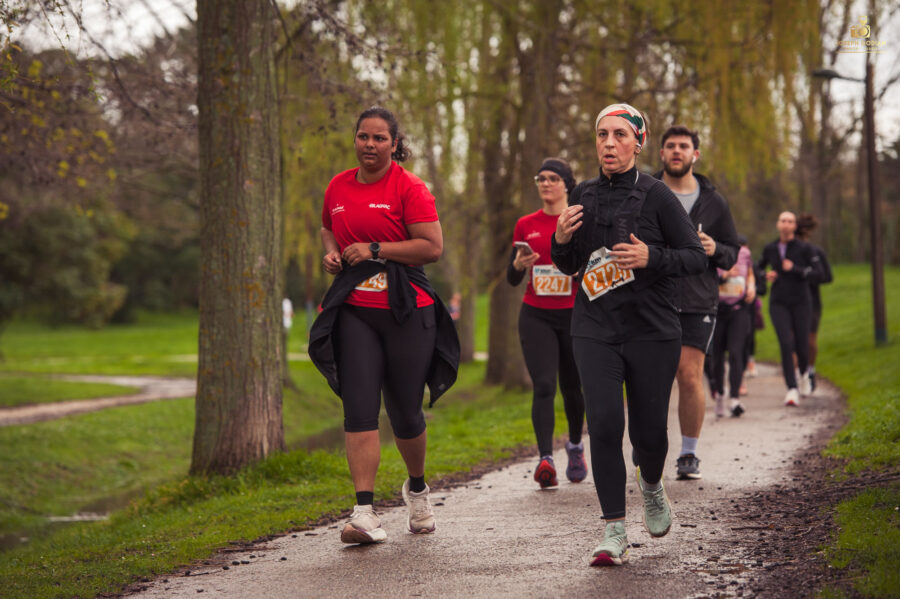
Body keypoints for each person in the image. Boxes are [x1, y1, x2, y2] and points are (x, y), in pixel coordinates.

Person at [551, 103, 706, 566]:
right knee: (602, 423)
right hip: (595, 327)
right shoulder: (582, 193)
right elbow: (569, 265)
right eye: (602, 135)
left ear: (638, 143)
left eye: (620, 135)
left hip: (651, 330)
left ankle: (652, 483)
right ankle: (613, 529)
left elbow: (695, 256)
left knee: (649, 435)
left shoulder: (658, 196)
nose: (609, 143)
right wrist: (560, 241)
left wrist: (650, 258)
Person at [308, 106, 460, 545]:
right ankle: (364, 512)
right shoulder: (338, 186)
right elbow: (327, 227)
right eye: (363, 136)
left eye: (379, 138)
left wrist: (376, 249)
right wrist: (332, 252)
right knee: (358, 407)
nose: (370, 145)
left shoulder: (409, 187)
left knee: (405, 412)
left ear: (394, 144)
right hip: (355, 311)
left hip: (406, 311)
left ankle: (418, 491)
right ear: (355, 140)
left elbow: (432, 247)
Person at [654, 125, 739, 481]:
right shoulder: (646, 191)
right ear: (661, 153)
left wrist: (715, 248)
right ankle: (650, 452)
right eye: (671, 146)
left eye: (684, 146)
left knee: (689, 375)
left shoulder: (714, 201)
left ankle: (688, 453)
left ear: (695, 154)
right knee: (652, 380)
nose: (677, 151)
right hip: (652, 297)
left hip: (697, 299)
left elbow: (732, 253)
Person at [507, 157, 586, 488]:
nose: (546, 183)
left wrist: (581, 271)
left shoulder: (579, 220)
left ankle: (575, 446)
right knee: (543, 385)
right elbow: (512, 278)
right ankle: (545, 459)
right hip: (536, 314)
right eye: (541, 178)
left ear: (567, 184)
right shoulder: (526, 224)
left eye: (553, 178)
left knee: (572, 387)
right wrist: (518, 265)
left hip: (573, 314)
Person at [757, 211, 823, 406]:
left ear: (795, 226)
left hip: (801, 302)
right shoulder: (770, 248)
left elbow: (819, 273)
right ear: (778, 224)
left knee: (802, 345)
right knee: (786, 343)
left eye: (790, 221)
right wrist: (765, 275)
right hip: (778, 303)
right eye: (783, 221)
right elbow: (758, 268)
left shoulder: (805, 248)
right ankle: (791, 389)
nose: (786, 224)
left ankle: (803, 375)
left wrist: (795, 268)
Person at [708, 236, 756, 417]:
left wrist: (751, 287)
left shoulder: (745, 253)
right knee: (717, 357)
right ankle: (720, 395)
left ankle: (735, 399)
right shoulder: (712, 249)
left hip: (739, 310)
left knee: (736, 353)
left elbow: (750, 273)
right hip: (717, 310)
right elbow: (706, 278)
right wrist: (725, 276)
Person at [795, 213, 833, 393]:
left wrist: (807, 274)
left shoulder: (816, 252)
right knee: (793, 341)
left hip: (812, 301)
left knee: (810, 341)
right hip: (792, 301)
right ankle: (798, 375)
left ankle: (810, 370)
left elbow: (827, 277)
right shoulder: (787, 252)